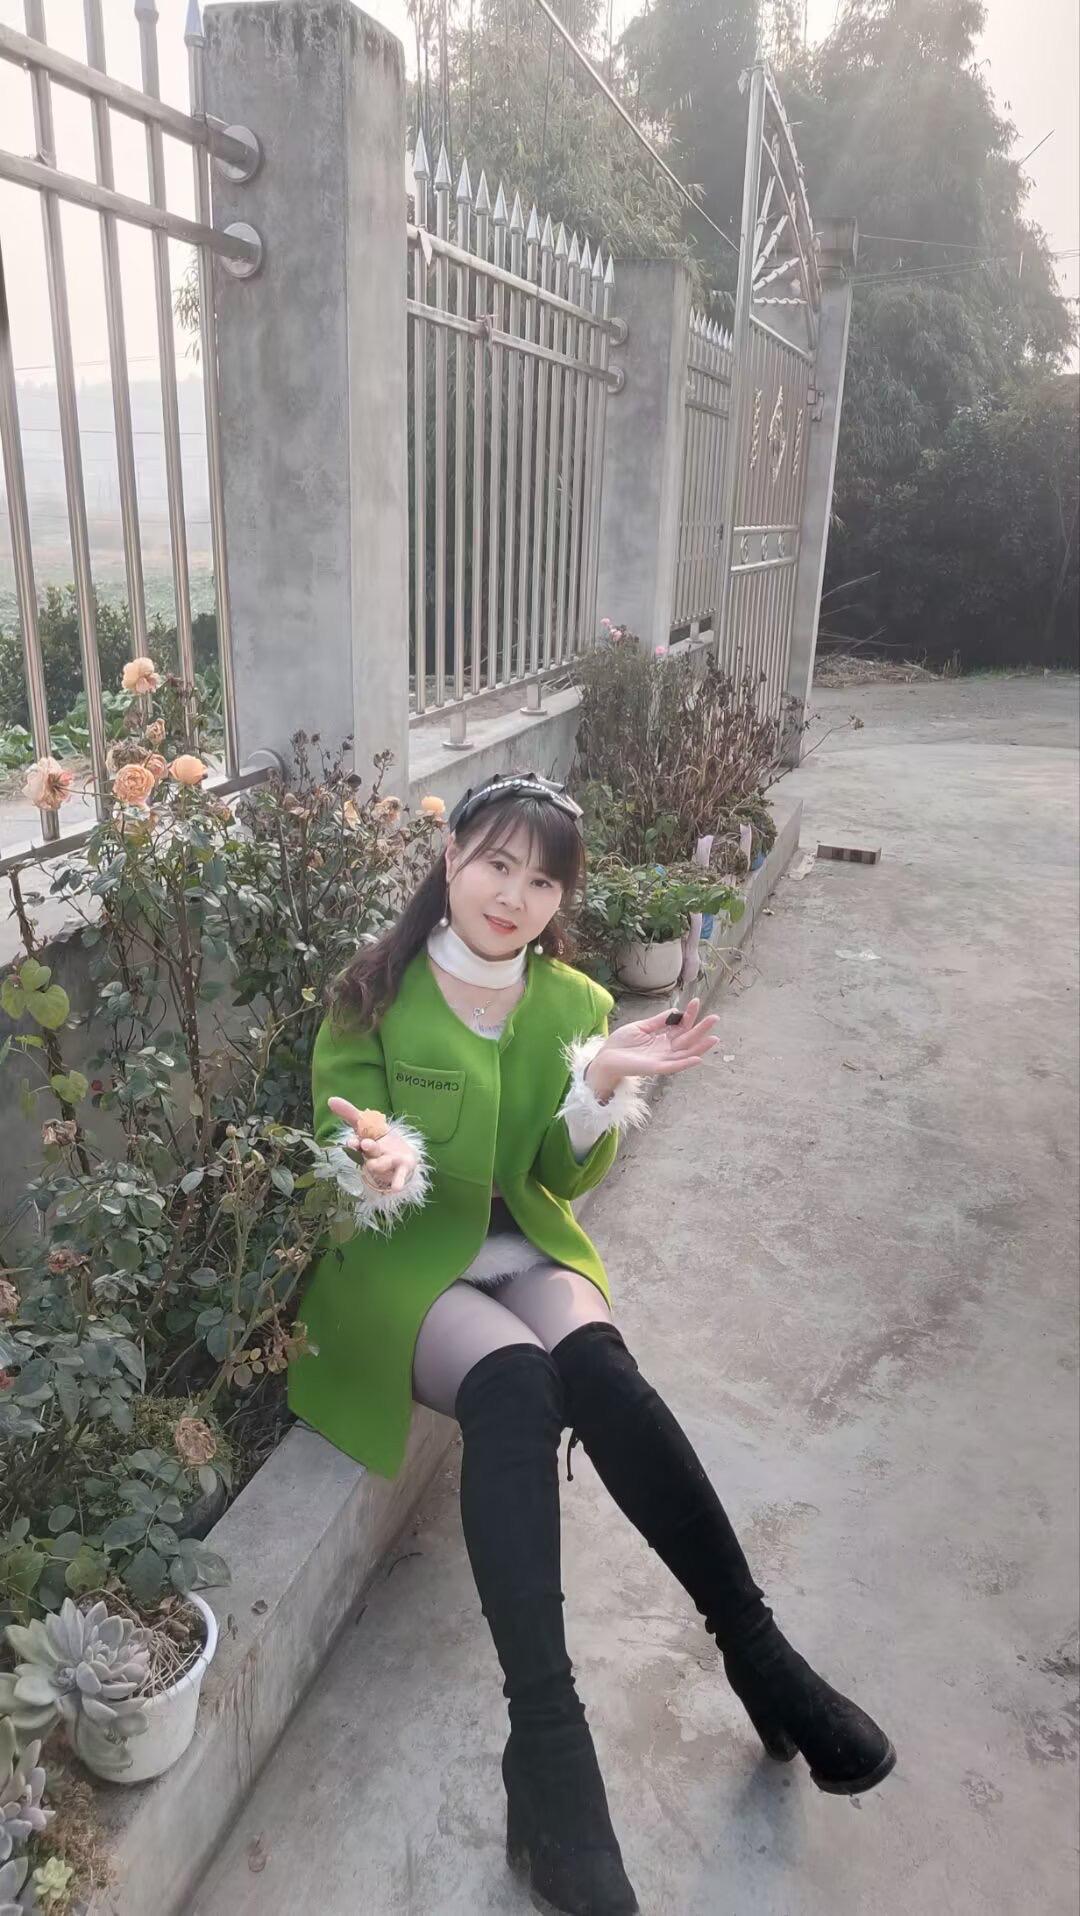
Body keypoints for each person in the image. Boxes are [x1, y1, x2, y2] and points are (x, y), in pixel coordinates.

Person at [288, 771, 895, 1916]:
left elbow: (558, 1178)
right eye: (495, 863)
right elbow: (343, 1153)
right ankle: (551, 1749)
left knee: (603, 1373)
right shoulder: (374, 991)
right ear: (452, 856)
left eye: (541, 878)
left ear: (562, 895)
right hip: (402, 1266)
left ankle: (759, 1651)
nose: (512, 895)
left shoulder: (569, 998)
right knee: (516, 1384)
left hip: (520, 1243)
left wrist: (598, 1082)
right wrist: (381, 1161)